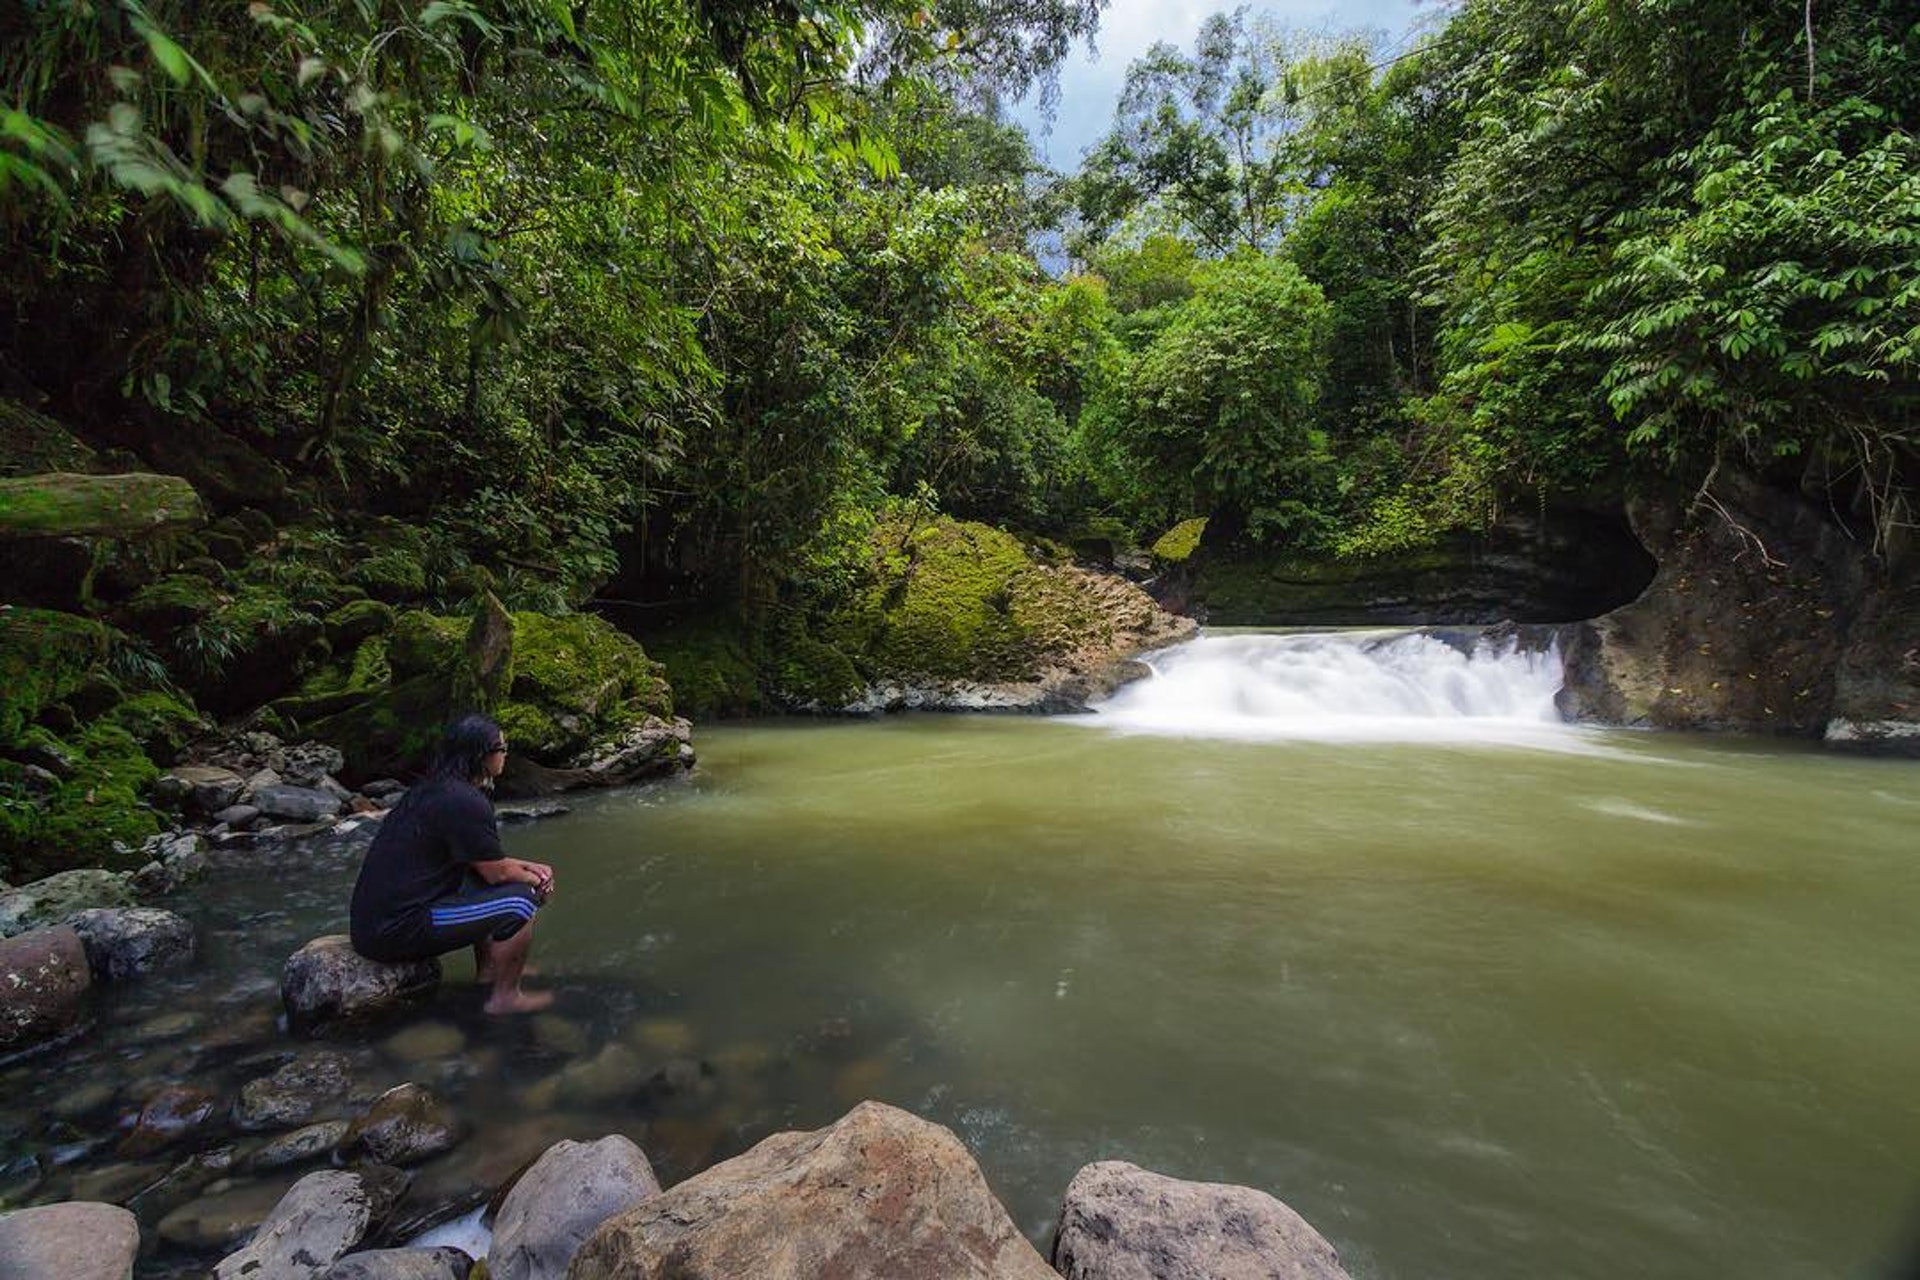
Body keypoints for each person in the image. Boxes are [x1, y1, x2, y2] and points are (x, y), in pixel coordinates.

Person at [350, 713, 557, 1014]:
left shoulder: (435, 789)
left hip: (374, 923)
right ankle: (505, 998)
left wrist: (530, 867)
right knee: (523, 901)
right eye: (502, 748)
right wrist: (539, 880)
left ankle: (489, 972)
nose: (505, 754)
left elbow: (481, 862)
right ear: (481, 755)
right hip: (395, 930)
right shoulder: (464, 801)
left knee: (496, 882)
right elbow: (496, 872)